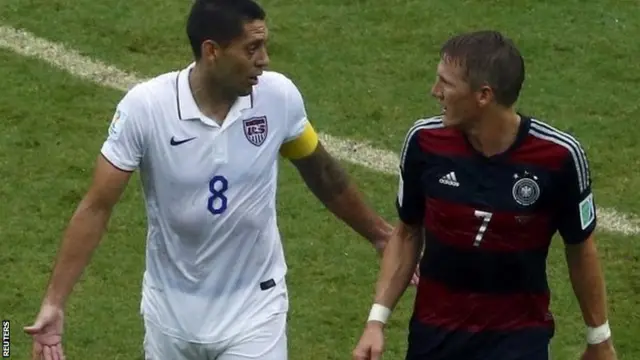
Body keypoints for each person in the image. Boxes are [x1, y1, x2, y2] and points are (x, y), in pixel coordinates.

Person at [24, 1, 394, 359]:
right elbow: (96, 206)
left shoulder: (277, 97)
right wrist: (54, 302)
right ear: (212, 51)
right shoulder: (146, 108)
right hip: (170, 312)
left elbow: (323, 173)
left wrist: (380, 234)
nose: (264, 60)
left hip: (255, 308)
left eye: (264, 46)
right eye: (252, 48)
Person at [352, 30, 617, 360]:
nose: (435, 92)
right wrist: (376, 321)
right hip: (435, 335)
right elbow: (407, 233)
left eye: (446, 84)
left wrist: (599, 338)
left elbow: (580, 247)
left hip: (518, 339)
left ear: (483, 95)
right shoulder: (424, 142)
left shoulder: (559, 156)